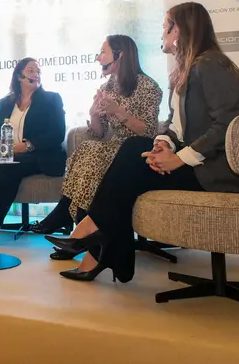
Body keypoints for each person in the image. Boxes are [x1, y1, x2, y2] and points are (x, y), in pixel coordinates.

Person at [46, 2, 239, 283]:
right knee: (132, 154)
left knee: (131, 151)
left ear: (180, 29)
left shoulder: (212, 64)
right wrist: (163, 144)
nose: (161, 32)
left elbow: (230, 123)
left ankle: (94, 240)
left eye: (166, 26)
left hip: (216, 171)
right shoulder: (183, 71)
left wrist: (179, 158)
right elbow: (174, 126)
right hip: (194, 164)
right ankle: (98, 245)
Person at [32, 36, 162, 261]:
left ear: (120, 55)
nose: (98, 58)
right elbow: (99, 133)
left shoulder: (148, 86)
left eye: (103, 52)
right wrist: (94, 114)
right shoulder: (107, 87)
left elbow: (149, 131)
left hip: (136, 153)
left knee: (93, 152)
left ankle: (69, 219)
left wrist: (118, 111)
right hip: (115, 147)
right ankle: (76, 227)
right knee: (89, 148)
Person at [0, 58, 66, 246]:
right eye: (31, 70)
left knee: (12, 165)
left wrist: (27, 145)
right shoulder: (5, 103)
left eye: (38, 71)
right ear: (20, 76)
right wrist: (0, 145)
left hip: (41, 156)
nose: (36, 74)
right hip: (9, 153)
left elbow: (58, 133)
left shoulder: (51, 99)